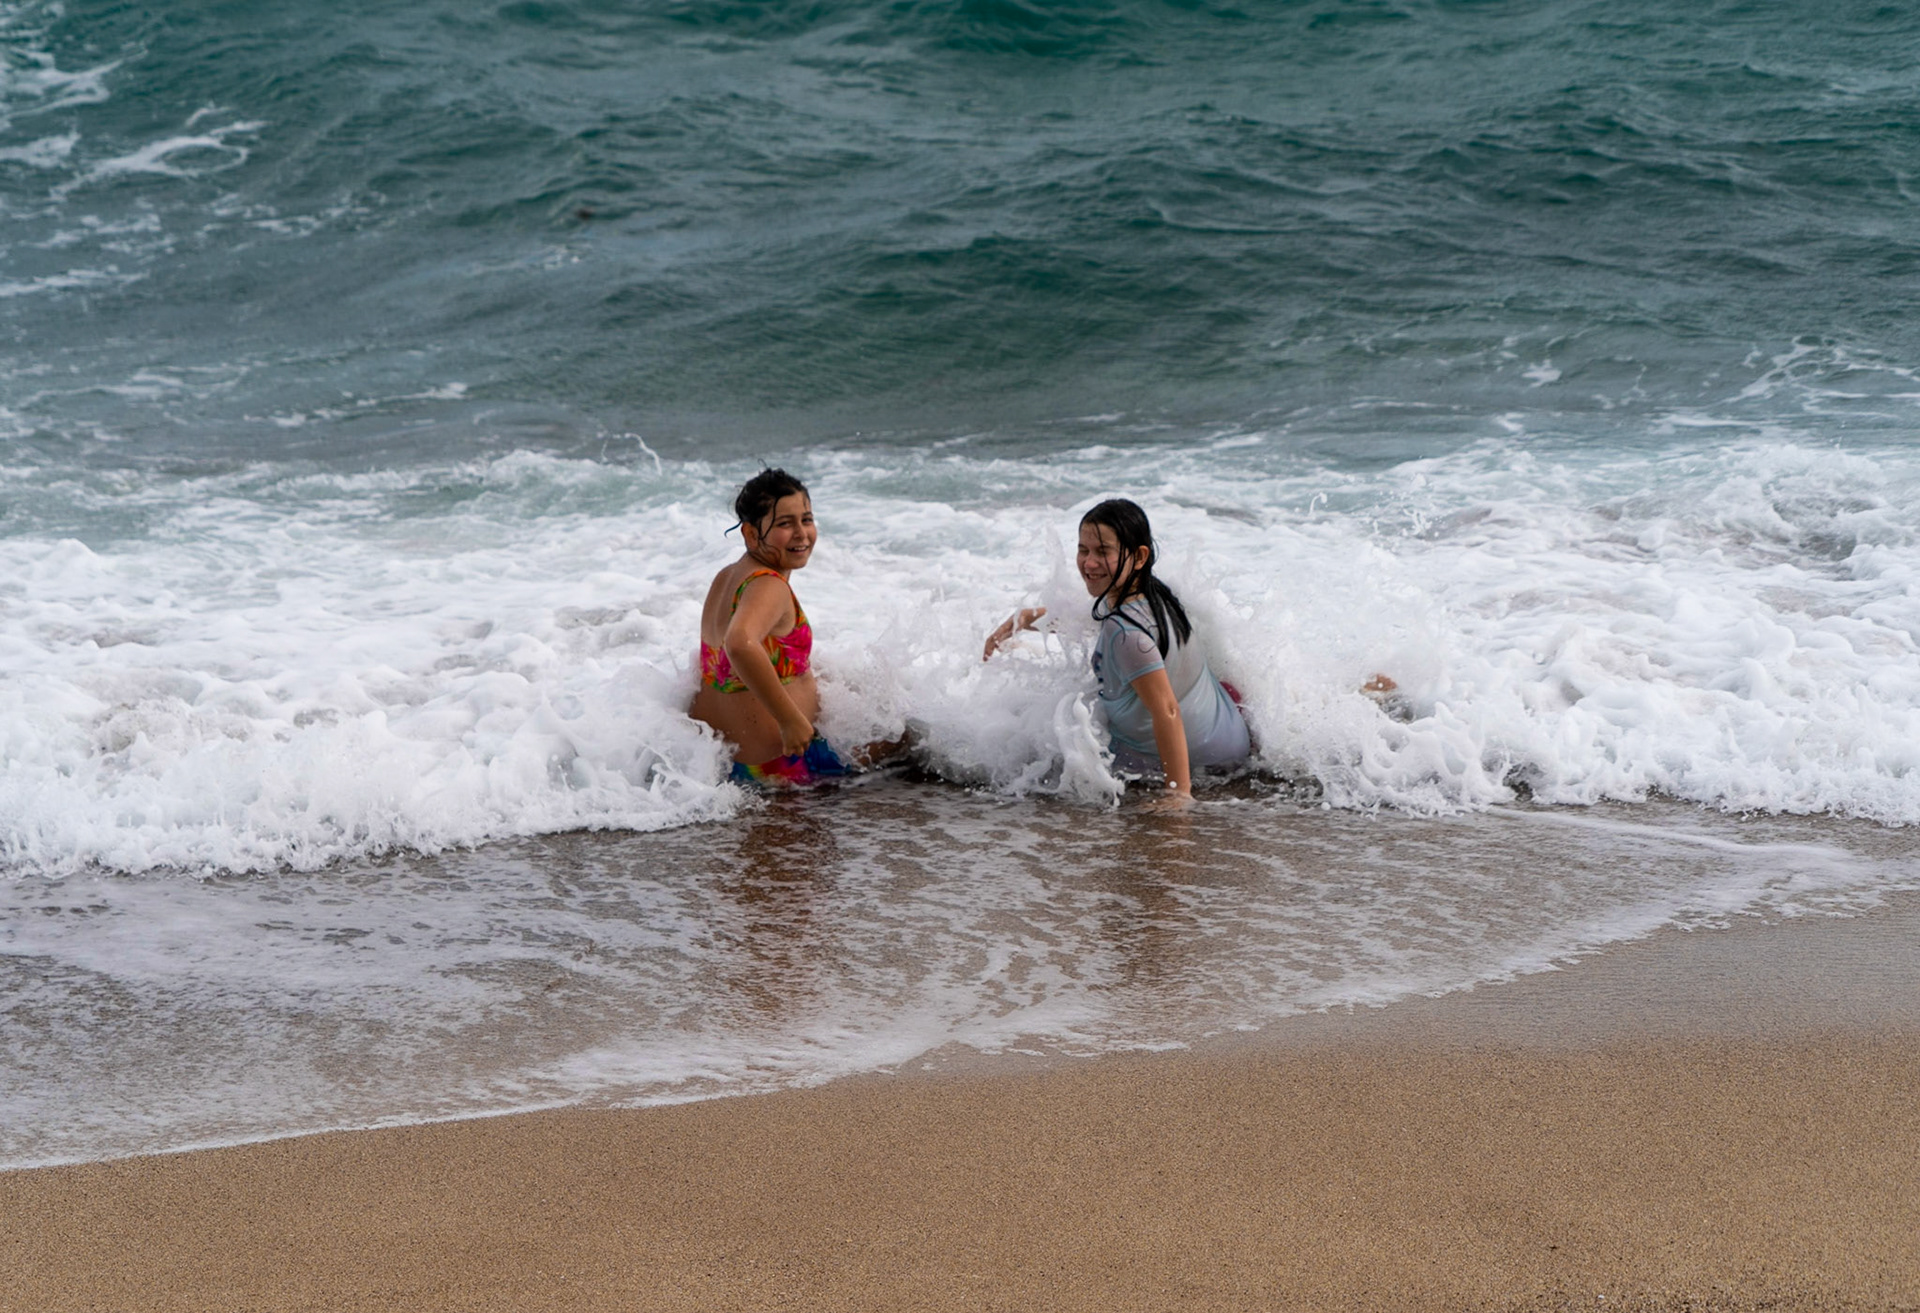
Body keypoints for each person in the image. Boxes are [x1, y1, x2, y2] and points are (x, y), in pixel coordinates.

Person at [984, 498, 1251, 805]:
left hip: (1198, 760)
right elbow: (1095, 619)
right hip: (1232, 738)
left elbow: (1167, 711)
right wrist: (1028, 618)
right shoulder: (1157, 592)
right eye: (1083, 550)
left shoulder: (1124, 633)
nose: (1088, 563)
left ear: (1139, 556)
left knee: (1048, 744)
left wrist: (1178, 794)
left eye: (1102, 551)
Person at [691, 468, 852, 787]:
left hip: (725, 764)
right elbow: (740, 643)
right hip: (784, 762)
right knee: (913, 739)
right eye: (784, 524)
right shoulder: (768, 586)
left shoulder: (728, 577)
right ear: (751, 534)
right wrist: (790, 720)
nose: (801, 533)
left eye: (806, 519)